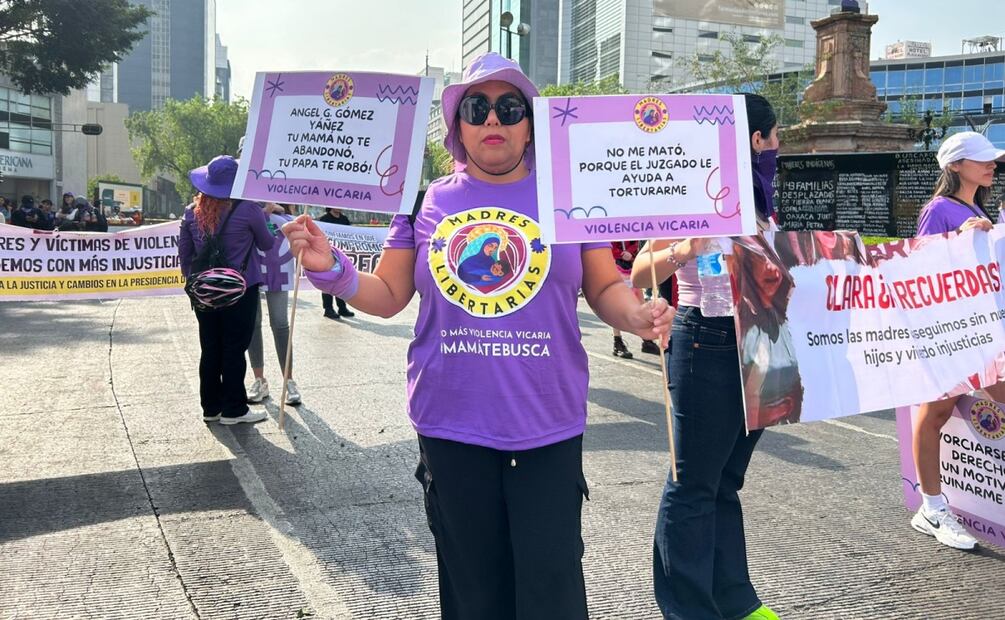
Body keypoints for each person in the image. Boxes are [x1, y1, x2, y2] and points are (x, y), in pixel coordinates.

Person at [282, 52, 672, 619]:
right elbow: (389, 296)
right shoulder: (421, 203)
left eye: (510, 107)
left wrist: (637, 316)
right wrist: (329, 266)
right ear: (459, 125)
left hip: (547, 423)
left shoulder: (573, 195)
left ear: (530, 124)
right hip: (452, 423)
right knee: (472, 590)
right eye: (478, 107)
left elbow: (605, 287)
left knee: (552, 587)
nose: (494, 119)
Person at [632, 93, 782, 620]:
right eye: (774, 135)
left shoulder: (764, 200)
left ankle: (734, 600)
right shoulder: (694, 187)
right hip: (706, 340)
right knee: (693, 483)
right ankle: (689, 608)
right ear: (755, 139)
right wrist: (684, 249)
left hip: (761, 340)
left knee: (725, 480)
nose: (778, 145)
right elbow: (639, 274)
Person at [910, 131, 1005, 551]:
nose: (992, 165)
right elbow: (920, 268)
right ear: (954, 166)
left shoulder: (974, 206)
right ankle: (931, 507)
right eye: (982, 160)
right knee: (935, 412)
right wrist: (962, 238)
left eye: (993, 160)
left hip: (980, 330)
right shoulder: (940, 209)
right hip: (951, 332)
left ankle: (934, 505)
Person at [178, 155, 275, 425]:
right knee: (234, 348)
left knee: (210, 348)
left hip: (204, 292)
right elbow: (267, 244)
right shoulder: (250, 210)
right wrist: (266, 216)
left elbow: (185, 255)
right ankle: (235, 409)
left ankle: (211, 408)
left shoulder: (190, 212)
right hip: (241, 290)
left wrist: (197, 285)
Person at [732, 236, 802, 429]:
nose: (772, 268)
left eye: (776, 259)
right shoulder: (743, 321)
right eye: (761, 258)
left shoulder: (786, 319)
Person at [247, 202, 301, 406]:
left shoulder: (284, 194)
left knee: (280, 325)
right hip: (252, 269)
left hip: (279, 272)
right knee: (253, 324)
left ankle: (289, 381)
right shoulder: (248, 194)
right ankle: (259, 380)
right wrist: (263, 212)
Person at [610, 240, 660, 359]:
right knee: (617, 306)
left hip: (631, 265)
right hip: (616, 265)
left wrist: (631, 253)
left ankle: (647, 340)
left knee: (640, 303)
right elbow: (607, 244)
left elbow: (635, 241)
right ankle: (617, 341)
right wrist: (621, 253)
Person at [317, 207, 355, 319]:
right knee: (327, 282)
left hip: (341, 255)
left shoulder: (344, 219)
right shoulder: (324, 219)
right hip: (327, 255)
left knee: (341, 281)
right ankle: (328, 309)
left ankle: (342, 307)